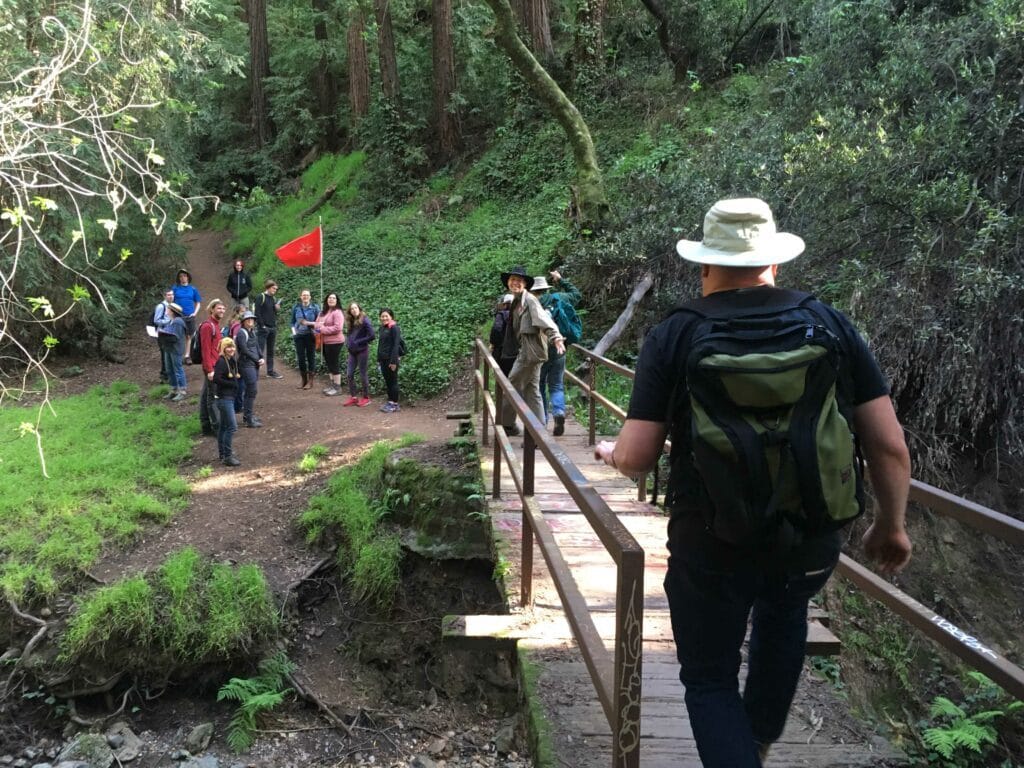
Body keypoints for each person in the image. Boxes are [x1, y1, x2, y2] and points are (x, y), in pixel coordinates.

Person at [594, 198, 912, 768]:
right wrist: (892, 526)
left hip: (710, 540)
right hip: (808, 534)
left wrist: (612, 454)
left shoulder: (676, 333)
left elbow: (637, 457)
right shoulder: (830, 324)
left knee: (709, 677)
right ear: (774, 262)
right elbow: (889, 445)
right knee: (785, 616)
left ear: (704, 265)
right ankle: (756, 742)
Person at [498, 265, 566, 436]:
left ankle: (507, 424)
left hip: (530, 353)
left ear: (525, 284)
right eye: (512, 280)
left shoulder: (529, 300)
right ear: (508, 282)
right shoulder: (516, 301)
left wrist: (556, 337)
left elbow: (544, 320)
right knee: (532, 390)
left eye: (519, 281)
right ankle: (539, 432)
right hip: (529, 352)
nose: (515, 283)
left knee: (511, 385)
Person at [536, 270, 581, 436]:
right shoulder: (559, 297)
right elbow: (576, 295)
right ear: (547, 288)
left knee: (539, 384)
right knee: (556, 384)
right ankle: (559, 412)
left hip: (540, 348)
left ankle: (542, 421)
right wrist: (561, 280)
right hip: (559, 346)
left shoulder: (532, 303)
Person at [198, 299, 227, 437]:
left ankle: (205, 426)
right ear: (212, 309)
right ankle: (217, 428)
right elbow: (205, 350)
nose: (222, 311)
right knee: (213, 398)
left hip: (215, 366)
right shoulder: (207, 326)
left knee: (205, 396)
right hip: (212, 368)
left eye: (223, 309)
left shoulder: (215, 325)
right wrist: (210, 370)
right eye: (219, 308)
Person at [212, 337, 242, 466]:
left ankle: (222, 453)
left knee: (224, 427)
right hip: (224, 399)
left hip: (228, 398)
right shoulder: (221, 362)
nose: (231, 349)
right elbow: (216, 379)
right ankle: (228, 456)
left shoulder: (231, 360)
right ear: (223, 349)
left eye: (232, 346)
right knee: (232, 427)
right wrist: (232, 384)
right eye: (228, 347)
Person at [235, 311, 265, 428]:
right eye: (248, 319)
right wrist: (256, 359)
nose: (250, 321)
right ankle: (248, 419)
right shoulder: (241, 333)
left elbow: (257, 346)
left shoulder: (252, 332)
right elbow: (244, 350)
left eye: (252, 319)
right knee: (251, 390)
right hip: (246, 365)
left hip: (254, 364)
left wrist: (261, 357)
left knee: (251, 391)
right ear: (243, 322)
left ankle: (248, 415)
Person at [343, 302, 376, 407]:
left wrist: (358, 341)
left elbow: (372, 335)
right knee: (349, 374)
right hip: (352, 352)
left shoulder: (365, 320)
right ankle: (353, 397)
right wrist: (348, 343)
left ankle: (366, 398)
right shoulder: (351, 321)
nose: (354, 310)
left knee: (362, 374)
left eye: (355, 308)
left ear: (359, 309)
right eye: (352, 309)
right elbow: (350, 334)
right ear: (350, 311)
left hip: (362, 351)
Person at [315, 293, 346, 396]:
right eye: (329, 298)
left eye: (334, 298)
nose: (331, 299)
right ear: (326, 300)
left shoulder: (337, 312)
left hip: (335, 342)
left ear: (337, 301)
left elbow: (338, 328)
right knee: (329, 364)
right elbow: (316, 324)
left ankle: (338, 388)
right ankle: (333, 385)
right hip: (324, 342)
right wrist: (317, 328)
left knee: (333, 363)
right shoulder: (322, 312)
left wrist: (322, 329)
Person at [253, 279, 283, 379]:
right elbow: (257, 313)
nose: (275, 290)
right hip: (263, 328)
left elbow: (273, 312)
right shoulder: (260, 297)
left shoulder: (273, 298)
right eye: (274, 288)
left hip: (272, 327)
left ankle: (270, 371)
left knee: (271, 351)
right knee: (259, 350)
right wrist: (262, 326)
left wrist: (277, 308)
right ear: (268, 287)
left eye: (276, 289)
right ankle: (255, 372)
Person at [377, 308, 405, 413]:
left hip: (391, 359)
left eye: (386, 316)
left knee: (393, 381)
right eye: (382, 316)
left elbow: (395, 345)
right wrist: (378, 359)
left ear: (391, 317)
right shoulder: (382, 328)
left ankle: (395, 404)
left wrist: (393, 362)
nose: (384, 318)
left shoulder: (394, 328)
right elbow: (380, 345)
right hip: (383, 359)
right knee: (388, 381)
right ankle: (390, 402)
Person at [291, 289, 320, 390]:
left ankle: (310, 381)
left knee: (311, 357)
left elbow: (319, 322)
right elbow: (292, 322)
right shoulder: (296, 307)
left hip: (310, 336)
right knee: (301, 358)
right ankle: (304, 380)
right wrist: (294, 333)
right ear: (301, 297)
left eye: (307, 295)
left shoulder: (315, 308)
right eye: (303, 295)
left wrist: (317, 334)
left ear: (310, 297)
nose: (305, 297)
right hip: (299, 336)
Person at [171, 269, 201, 365]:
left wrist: (194, 313)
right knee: (178, 336)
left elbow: (198, 302)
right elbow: (170, 301)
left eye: (184, 276)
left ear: (188, 277)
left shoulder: (193, 289)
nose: (182, 278)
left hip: (189, 316)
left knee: (189, 336)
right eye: (180, 276)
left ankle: (187, 356)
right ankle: (178, 355)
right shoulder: (175, 288)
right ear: (178, 278)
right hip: (178, 316)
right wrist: (172, 314)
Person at [158, 302, 187, 401]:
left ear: (172, 311)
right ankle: (173, 389)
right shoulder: (171, 320)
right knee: (169, 370)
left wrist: (163, 335)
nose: (166, 311)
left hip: (175, 349)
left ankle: (182, 391)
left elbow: (175, 337)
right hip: (168, 348)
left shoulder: (178, 322)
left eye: (168, 309)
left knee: (178, 370)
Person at [489, 293, 515, 378]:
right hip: (516, 352)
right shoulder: (519, 315)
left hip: (502, 351)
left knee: (501, 376)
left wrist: (493, 343)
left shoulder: (501, 315)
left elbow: (496, 329)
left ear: (505, 304)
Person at [153, 288, 176, 383]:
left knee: (170, 355)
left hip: (171, 334)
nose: (171, 296)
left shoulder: (173, 306)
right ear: (164, 296)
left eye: (172, 294)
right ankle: (164, 376)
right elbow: (156, 320)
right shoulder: (161, 306)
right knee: (164, 355)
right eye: (169, 295)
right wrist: (169, 321)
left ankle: (169, 375)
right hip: (162, 334)